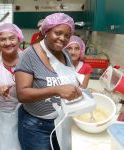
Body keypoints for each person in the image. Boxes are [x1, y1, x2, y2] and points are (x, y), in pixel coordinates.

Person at [15, 13, 82, 150]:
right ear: (47, 31)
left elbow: (68, 79)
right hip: (36, 127)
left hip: (62, 122)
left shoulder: (65, 54)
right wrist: (57, 90)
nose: (62, 38)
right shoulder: (29, 55)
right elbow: (22, 94)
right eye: (58, 33)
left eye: (67, 35)